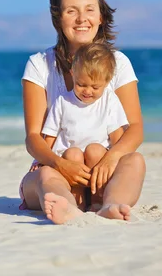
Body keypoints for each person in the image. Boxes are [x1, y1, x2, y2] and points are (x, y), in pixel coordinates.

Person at [19, 0, 146, 224]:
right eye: (71, 11)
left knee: (136, 161)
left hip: (101, 168)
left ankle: (109, 205)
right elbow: (34, 137)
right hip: (56, 169)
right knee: (45, 177)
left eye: (89, 9)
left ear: (101, 16)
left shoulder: (119, 64)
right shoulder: (39, 65)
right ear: (58, 19)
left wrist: (111, 158)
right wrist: (57, 163)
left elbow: (135, 129)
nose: (81, 19)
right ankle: (66, 206)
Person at [42, 42, 130, 211]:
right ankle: (77, 200)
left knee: (95, 150)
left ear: (107, 81)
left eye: (95, 87)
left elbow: (117, 135)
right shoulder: (63, 101)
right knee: (73, 153)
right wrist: (42, 159)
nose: (88, 91)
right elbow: (50, 134)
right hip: (71, 163)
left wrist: (117, 158)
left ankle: (97, 198)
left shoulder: (109, 100)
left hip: (98, 162)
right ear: (72, 73)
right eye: (81, 84)